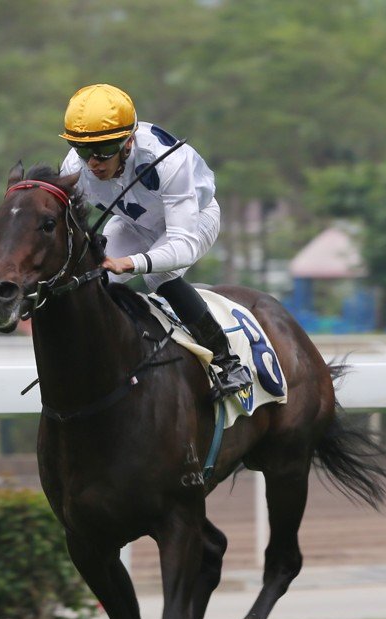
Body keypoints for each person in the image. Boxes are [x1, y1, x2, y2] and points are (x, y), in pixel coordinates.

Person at [59, 83, 252, 398]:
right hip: (134, 223)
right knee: (93, 274)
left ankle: (228, 362)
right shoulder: (74, 168)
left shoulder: (166, 163)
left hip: (194, 219)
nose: (93, 162)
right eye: (83, 151)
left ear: (128, 141)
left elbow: (182, 244)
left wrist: (133, 262)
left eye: (104, 150)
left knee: (156, 274)